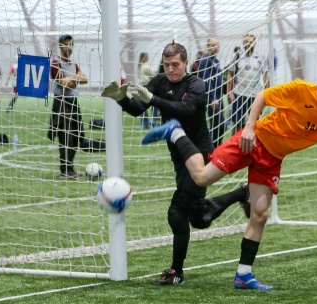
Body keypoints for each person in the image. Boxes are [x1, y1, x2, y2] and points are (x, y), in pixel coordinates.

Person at [141, 57, 317, 290]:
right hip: (253, 140)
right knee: (201, 178)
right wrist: (249, 127)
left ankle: (243, 275)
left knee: (259, 214)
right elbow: (263, 96)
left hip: (272, 158)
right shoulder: (300, 89)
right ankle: (175, 131)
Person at [101, 41, 250, 286]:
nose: (170, 69)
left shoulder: (196, 84)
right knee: (199, 217)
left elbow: (186, 110)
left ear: (185, 63)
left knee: (177, 212)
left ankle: (176, 272)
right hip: (178, 154)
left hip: (199, 152)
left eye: (175, 64)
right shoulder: (159, 81)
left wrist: (153, 100)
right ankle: (243, 192)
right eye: (167, 64)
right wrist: (121, 98)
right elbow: (138, 108)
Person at [47, 34, 89, 178]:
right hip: (61, 102)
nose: (68, 46)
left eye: (70, 44)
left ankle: (70, 168)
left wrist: (72, 78)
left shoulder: (73, 64)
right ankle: (65, 170)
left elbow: (85, 79)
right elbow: (63, 83)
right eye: (66, 44)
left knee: (76, 135)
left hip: (73, 102)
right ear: (60, 46)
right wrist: (76, 78)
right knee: (65, 136)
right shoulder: (55, 63)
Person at [227, 34, 269, 134]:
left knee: (256, 123)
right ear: (243, 43)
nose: (248, 44)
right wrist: (229, 92)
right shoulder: (237, 56)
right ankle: (235, 142)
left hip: (255, 95)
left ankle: (254, 142)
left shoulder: (260, 57)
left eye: (250, 42)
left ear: (254, 43)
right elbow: (230, 74)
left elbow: (265, 75)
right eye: (246, 42)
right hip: (239, 93)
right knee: (237, 124)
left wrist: (267, 92)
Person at [198, 38, 226, 148]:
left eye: (217, 45)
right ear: (208, 46)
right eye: (213, 45)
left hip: (219, 98)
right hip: (212, 100)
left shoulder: (215, 61)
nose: (216, 47)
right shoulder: (205, 60)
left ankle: (215, 148)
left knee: (219, 125)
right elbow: (206, 80)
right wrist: (212, 98)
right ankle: (211, 148)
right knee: (218, 124)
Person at [137, 52, 155, 129]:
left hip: (141, 86)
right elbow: (154, 74)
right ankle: (152, 120)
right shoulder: (146, 67)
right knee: (154, 103)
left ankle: (144, 123)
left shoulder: (139, 66)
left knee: (142, 105)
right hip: (146, 86)